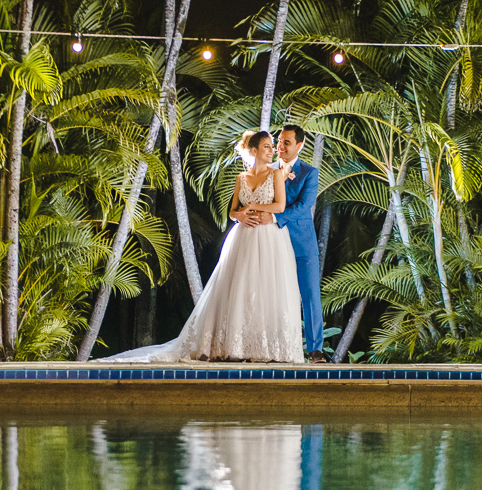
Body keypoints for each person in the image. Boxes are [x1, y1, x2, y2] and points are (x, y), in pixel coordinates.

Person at [100, 130, 305, 363]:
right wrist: (240, 215)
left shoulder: (276, 174)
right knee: (241, 288)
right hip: (244, 236)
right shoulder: (242, 178)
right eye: (267, 146)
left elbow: (280, 206)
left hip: (269, 237)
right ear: (254, 150)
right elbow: (232, 211)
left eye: (271, 146)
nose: (272, 151)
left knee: (267, 286)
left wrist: (253, 207)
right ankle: (236, 345)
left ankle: (268, 346)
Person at [234, 124, 324, 362]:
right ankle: (269, 346)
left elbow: (304, 206)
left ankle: (315, 350)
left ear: (299, 146)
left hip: (301, 244)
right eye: (280, 141)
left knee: (310, 296)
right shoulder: (268, 168)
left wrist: (274, 217)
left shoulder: (310, 173)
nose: (281, 147)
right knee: (270, 294)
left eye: (287, 142)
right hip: (271, 244)